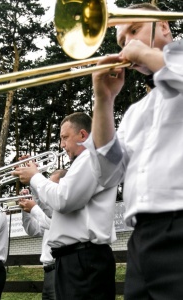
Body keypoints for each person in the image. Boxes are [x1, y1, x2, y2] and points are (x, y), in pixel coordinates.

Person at [87, 3, 183, 299]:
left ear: (164, 25)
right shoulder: (135, 112)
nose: (127, 43)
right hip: (141, 238)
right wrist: (103, 101)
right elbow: (108, 172)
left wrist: (144, 54)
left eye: (134, 30)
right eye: (121, 40)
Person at [12, 112, 117, 300]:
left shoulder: (91, 158)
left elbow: (63, 199)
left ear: (83, 135)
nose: (62, 145)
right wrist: (33, 182)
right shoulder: (81, 163)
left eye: (65, 137)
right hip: (74, 259)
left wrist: (35, 177)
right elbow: (55, 210)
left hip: (83, 259)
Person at [19, 169, 67, 300]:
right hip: (48, 271)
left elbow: (55, 224)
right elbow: (32, 230)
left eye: (52, 185)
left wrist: (34, 208)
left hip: (59, 268)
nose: (49, 189)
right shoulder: (50, 211)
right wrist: (25, 210)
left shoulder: (62, 209)